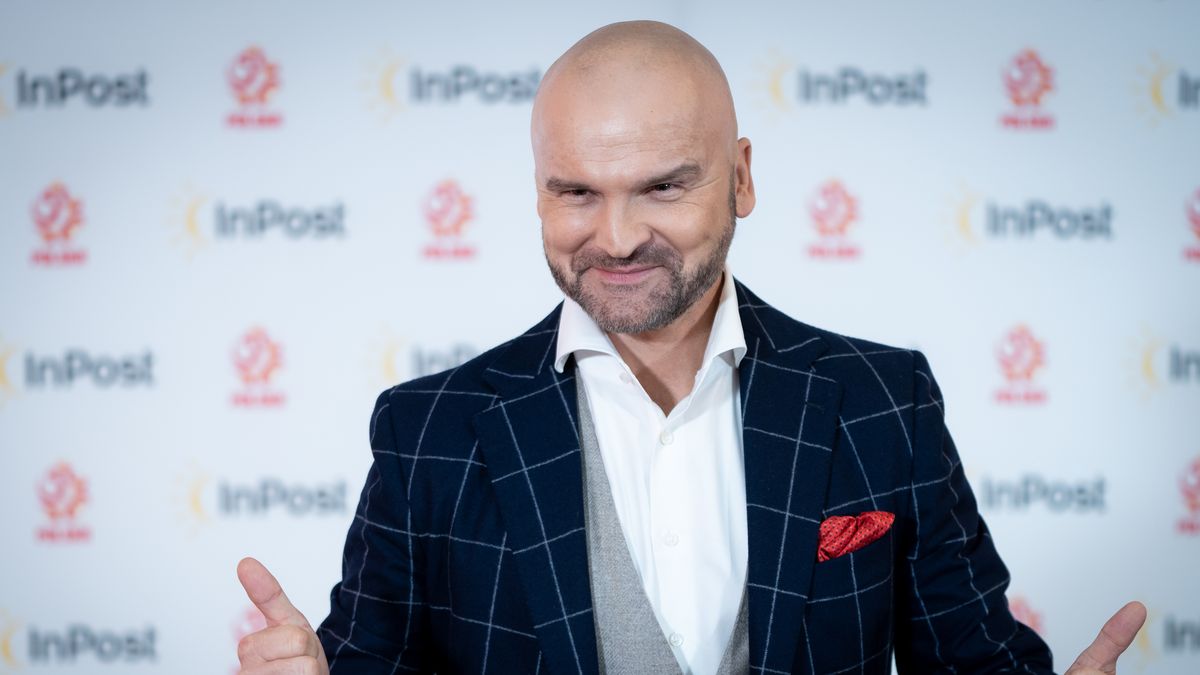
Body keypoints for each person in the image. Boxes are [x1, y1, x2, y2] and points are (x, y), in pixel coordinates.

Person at [233, 20, 1145, 675]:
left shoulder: (883, 401)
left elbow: (972, 659)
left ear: (741, 178)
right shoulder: (427, 428)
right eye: (577, 192)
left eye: (663, 186)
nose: (618, 237)